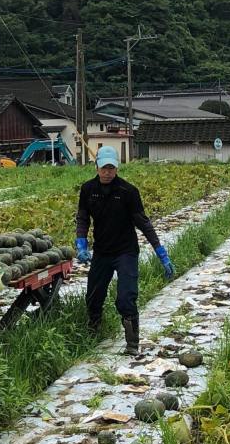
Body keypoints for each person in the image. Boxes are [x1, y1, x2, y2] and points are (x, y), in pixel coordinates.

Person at [75, 147, 175, 355]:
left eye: (112, 168)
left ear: (117, 168)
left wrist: (161, 253)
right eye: (104, 168)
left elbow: (143, 223)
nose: (108, 172)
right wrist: (81, 242)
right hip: (102, 251)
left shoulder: (128, 192)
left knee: (125, 297)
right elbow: (83, 217)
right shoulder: (88, 189)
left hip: (125, 252)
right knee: (94, 296)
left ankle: (132, 344)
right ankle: (93, 332)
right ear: (97, 167)